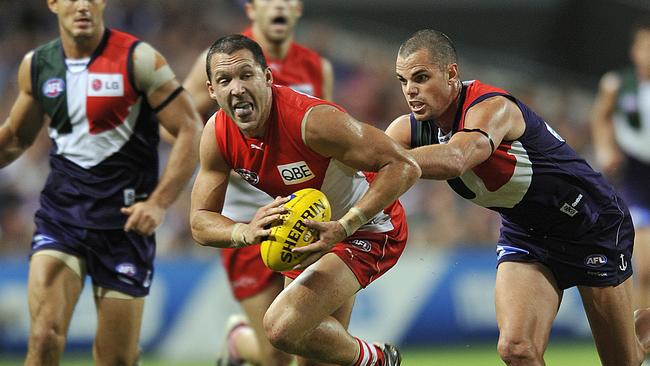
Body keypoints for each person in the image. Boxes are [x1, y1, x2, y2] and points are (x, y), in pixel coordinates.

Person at [385, 29, 650, 366]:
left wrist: (388, 158)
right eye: (403, 81)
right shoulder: (409, 131)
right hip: (527, 233)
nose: (410, 90)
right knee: (517, 349)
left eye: (421, 78)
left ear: (452, 74)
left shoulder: (492, 107)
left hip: (590, 223)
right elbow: (373, 173)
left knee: (623, 361)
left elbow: (457, 158)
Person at [190, 34, 420, 366]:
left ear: (267, 78)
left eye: (246, 75)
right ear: (212, 90)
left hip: (367, 227)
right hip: (307, 233)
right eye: (225, 80)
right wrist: (244, 231)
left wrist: (344, 226)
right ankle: (242, 341)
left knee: (280, 328)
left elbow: (404, 165)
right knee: (309, 354)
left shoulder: (311, 121)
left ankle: (378, 360)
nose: (236, 88)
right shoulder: (217, 135)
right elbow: (199, 221)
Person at [0, 0, 202, 365]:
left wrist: (158, 203)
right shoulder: (38, 65)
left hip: (124, 227)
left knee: (116, 360)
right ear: (53, 4)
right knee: (44, 336)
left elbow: (189, 127)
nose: (82, 5)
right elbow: (15, 136)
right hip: (62, 218)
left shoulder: (138, 59)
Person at [183, 1, 334, 365]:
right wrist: (231, 155)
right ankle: (239, 343)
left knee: (302, 339)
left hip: (302, 211)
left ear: (297, 9)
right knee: (273, 354)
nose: (279, 6)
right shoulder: (226, 57)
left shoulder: (316, 66)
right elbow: (180, 120)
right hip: (244, 212)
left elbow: (326, 134)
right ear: (252, 8)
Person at [591, 21, 650, 312]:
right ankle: (645, 339)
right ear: (634, 51)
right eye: (645, 47)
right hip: (637, 179)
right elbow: (600, 117)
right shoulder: (617, 84)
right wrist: (605, 148)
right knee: (647, 269)